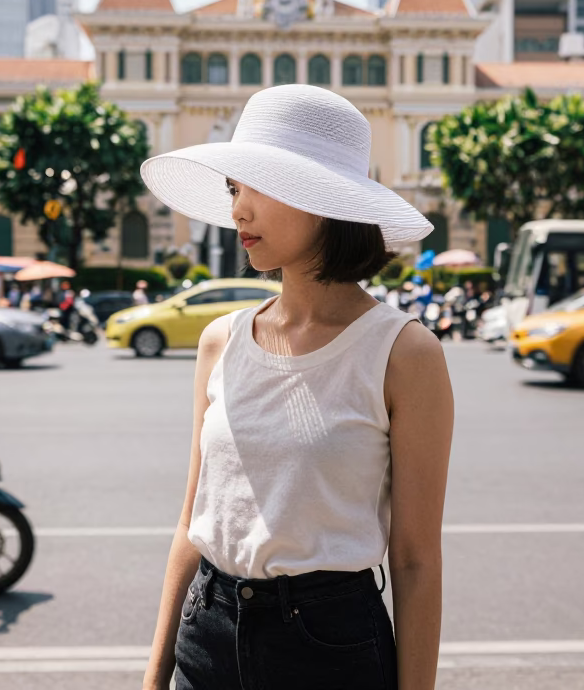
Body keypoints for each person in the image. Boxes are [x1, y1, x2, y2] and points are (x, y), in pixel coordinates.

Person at [138, 84, 454, 690]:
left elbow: (416, 560)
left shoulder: (404, 353)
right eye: (234, 189)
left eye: (255, 186)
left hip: (328, 647)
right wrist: (154, 679)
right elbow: (192, 523)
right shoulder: (221, 340)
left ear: (322, 196)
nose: (237, 211)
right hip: (205, 633)